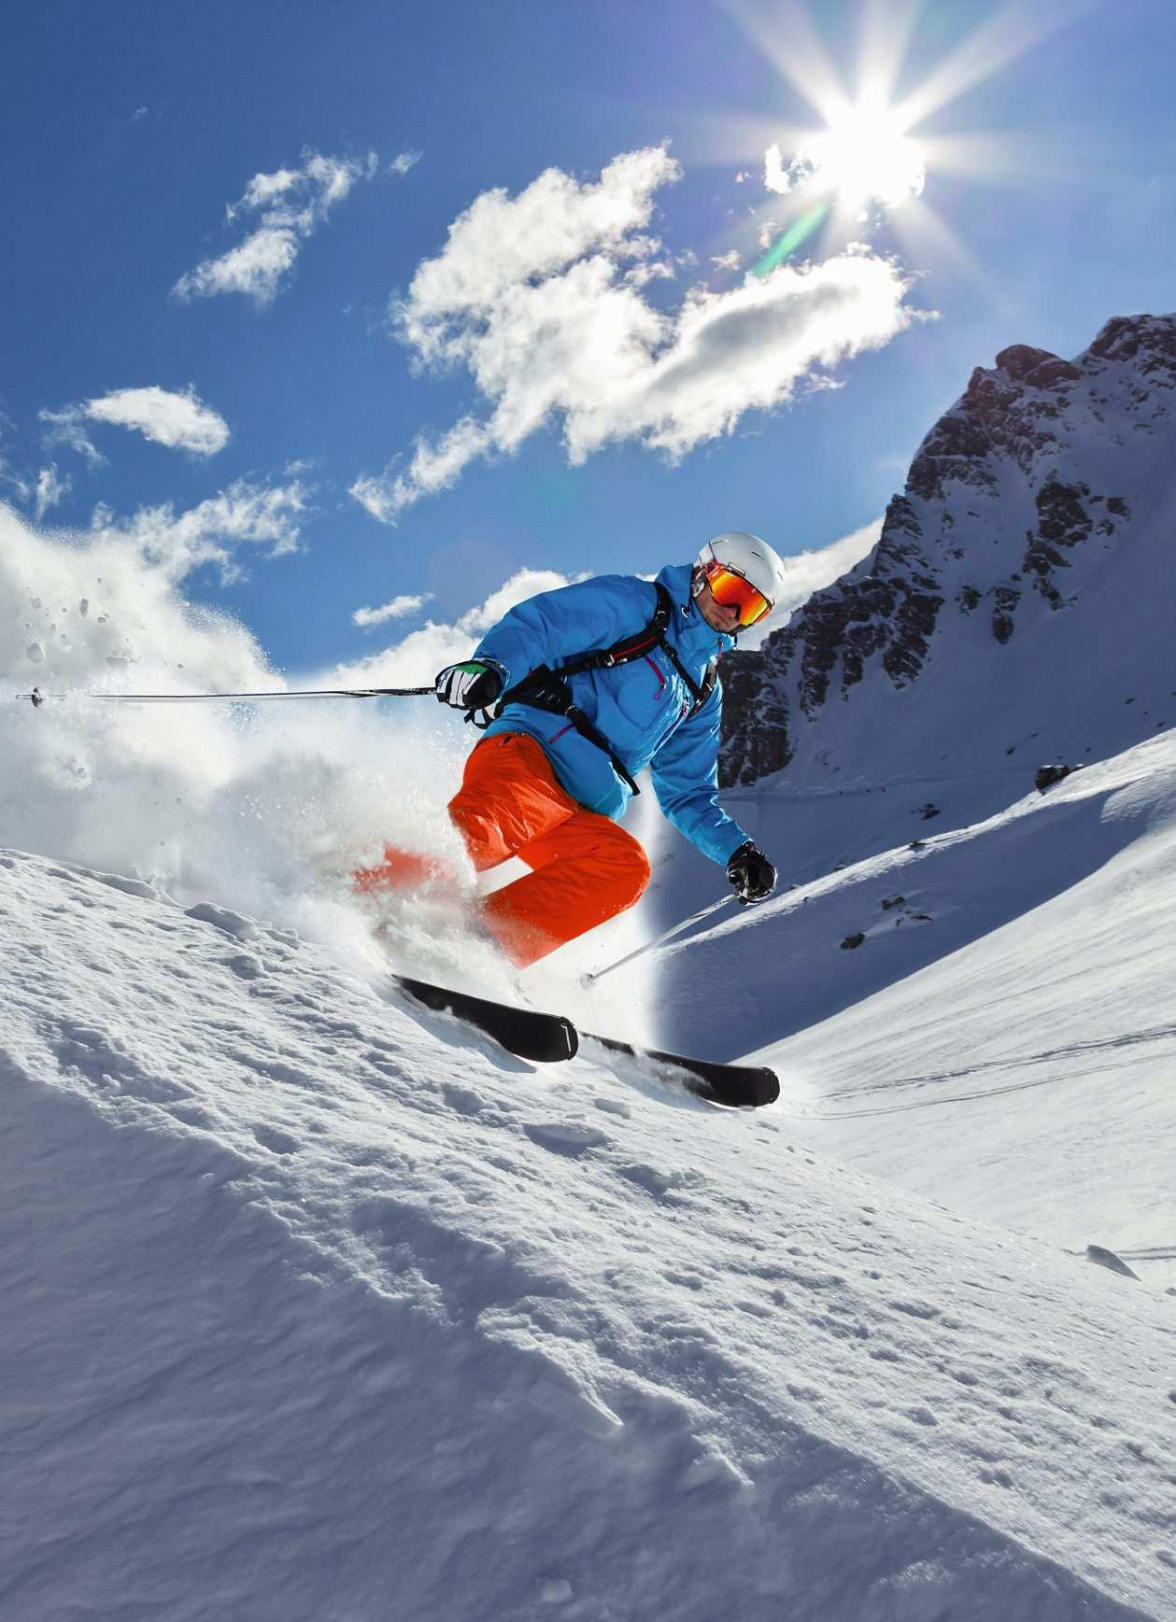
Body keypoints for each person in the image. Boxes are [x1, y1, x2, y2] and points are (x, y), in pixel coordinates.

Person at [357, 533, 784, 969]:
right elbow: (543, 625)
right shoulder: (638, 606)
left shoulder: (702, 691)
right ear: (703, 574)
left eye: (749, 608)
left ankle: (472, 951)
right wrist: (492, 666)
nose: (732, 612)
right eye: (732, 591)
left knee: (621, 868)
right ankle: (363, 890)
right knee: (484, 831)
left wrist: (737, 850)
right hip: (531, 756)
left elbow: (687, 792)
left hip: (577, 811)